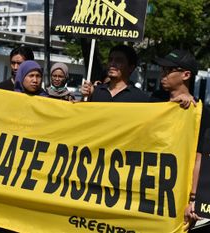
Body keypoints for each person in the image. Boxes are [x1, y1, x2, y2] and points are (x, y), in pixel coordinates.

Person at [151, 49, 210, 231]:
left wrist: (194, 199)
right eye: (162, 69)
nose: (163, 74)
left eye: (169, 70)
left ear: (186, 75)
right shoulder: (151, 102)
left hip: (177, 196)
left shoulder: (200, 113)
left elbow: (200, 156)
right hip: (148, 190)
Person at [81, 44, 148, 102]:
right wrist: (86, 97)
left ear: (131, 68)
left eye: (118, 60)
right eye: (110, 60)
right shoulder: (94, 92)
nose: (112, 64)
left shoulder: (140, 98)